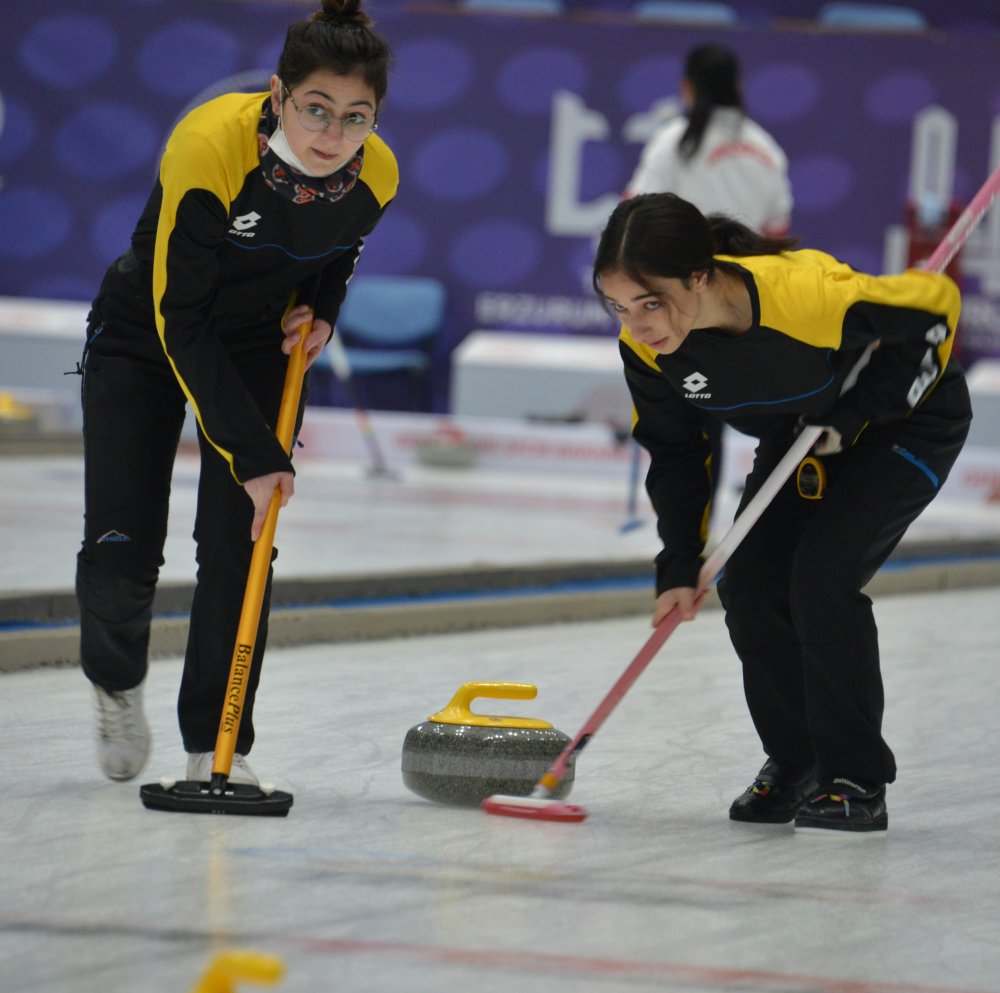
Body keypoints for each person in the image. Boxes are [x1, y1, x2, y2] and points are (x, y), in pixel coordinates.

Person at [76, 0, 397, 787]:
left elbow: (337, 253)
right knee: (121, 554)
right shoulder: (210, 143)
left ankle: (218, 744)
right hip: (147, 335)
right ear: (278, 94)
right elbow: (179, 320)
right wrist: (254, 452)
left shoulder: (377, 175)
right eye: (316, 108)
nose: (334, 134)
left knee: (240, 545)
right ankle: (116, 681)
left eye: (356, 117)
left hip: (258, 344)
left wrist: (322, 311)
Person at [593, 192, 971, 832]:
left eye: (651, 302)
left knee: (822, 577)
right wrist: (678, 562)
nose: (638, 325)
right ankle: (796, 762)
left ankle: (854, 777)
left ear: (700, 276)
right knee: (748, 581)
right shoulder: (650, 350)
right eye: (619, 307)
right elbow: (677, 451)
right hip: (802, 434)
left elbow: (936, 306)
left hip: (903, 425)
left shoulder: (806, 295)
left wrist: (860, 411)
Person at [625, 43, 793, 513]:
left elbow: (631, 218)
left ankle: (692, 533)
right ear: (738, 88)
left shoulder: (673, 143)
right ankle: (755, 528)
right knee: (769, 423)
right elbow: (778, 232)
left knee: (691, 424)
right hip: (749, 307)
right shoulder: (767, 150)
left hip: (685, 303)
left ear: (687, 88)